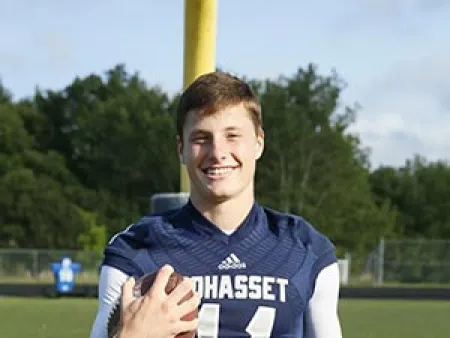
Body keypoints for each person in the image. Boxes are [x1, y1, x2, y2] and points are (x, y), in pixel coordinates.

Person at [90, 71, 343, 338]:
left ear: (259, 143)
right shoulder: (136, 248)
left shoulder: (305, 248)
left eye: (232, 136)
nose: (218, 153)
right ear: (181, 149)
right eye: (201, 138)